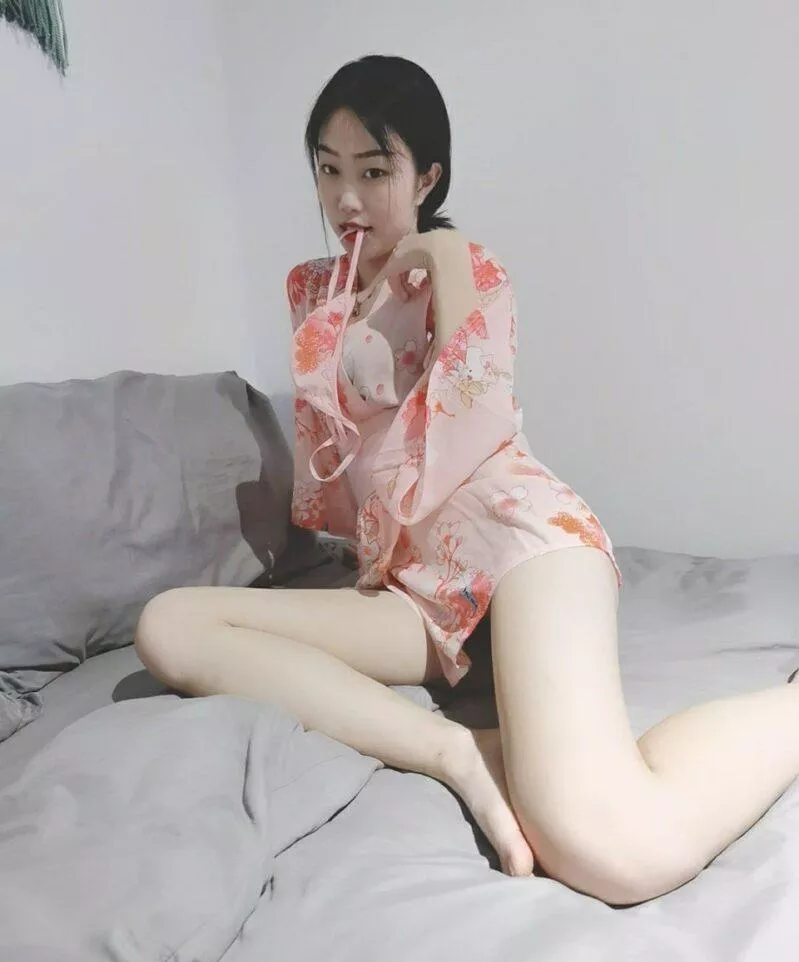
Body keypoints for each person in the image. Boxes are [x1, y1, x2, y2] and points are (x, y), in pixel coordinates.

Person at [134, 55, 799, 906]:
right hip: (414, 585)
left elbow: (471, 425)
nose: (346, 199)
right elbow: (332, 457)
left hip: (521, 544)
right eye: (328, 171)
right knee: (171, 624)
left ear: (427, 176)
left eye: (375, 172)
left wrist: (440, 256)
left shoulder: (468, 268)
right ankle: (458, 751)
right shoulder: (310, 288)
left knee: (611, 852)